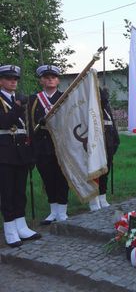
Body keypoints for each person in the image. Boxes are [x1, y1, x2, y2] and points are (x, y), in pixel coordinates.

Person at [0, 65, 41, 247]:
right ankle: (10, 229)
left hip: (21, 153)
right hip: (4, 153)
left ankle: (21, 226)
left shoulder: (19, 99)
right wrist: (17, 107)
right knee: (7, 193)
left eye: (15, 79)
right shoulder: (12, 101)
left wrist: (30, 153)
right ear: (1, 81)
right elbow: (4, 122)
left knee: (19, 192)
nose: (13, 81)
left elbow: (26, 128)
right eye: (9, 78)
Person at [28, 65, 70, 225]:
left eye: (53, 77)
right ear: (41, 81)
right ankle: (53, 211)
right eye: (46, 77)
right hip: (42, 145)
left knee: (62, 178)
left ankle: (62, 212)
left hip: (61, 145)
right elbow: (29, 123)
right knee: (48, 178)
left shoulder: (65, 96)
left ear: (58, 80)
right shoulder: (34, 99)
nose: (50, 79)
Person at [88, 87, 120, 211]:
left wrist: (116, 141)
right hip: (95, 145)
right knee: (95, 171)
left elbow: (111, 125)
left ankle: (102, 196)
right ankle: (93, 199)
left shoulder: (106, 108)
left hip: (108, 144)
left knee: (105, 171)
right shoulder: (90, 109)